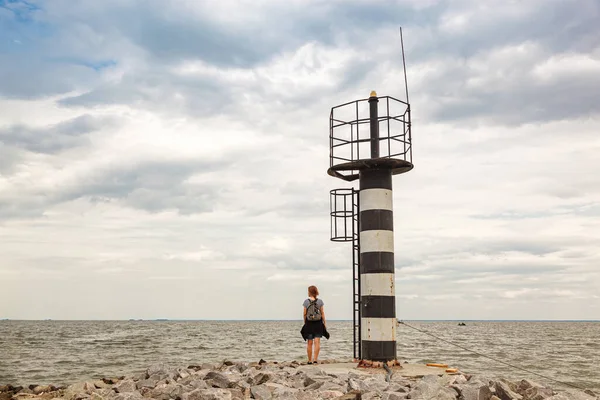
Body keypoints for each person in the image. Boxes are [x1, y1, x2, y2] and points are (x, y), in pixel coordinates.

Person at [300, 285, 329, 364]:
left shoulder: (306, 301)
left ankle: (309, 360)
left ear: (309, 292)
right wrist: (324, 322)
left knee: (309, 342)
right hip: (318, 323)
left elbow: (304, 313)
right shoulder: (320, 301)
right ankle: (315, 360)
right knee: (317, 342)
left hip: (309, 323)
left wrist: (305, 322)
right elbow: (322, 313)